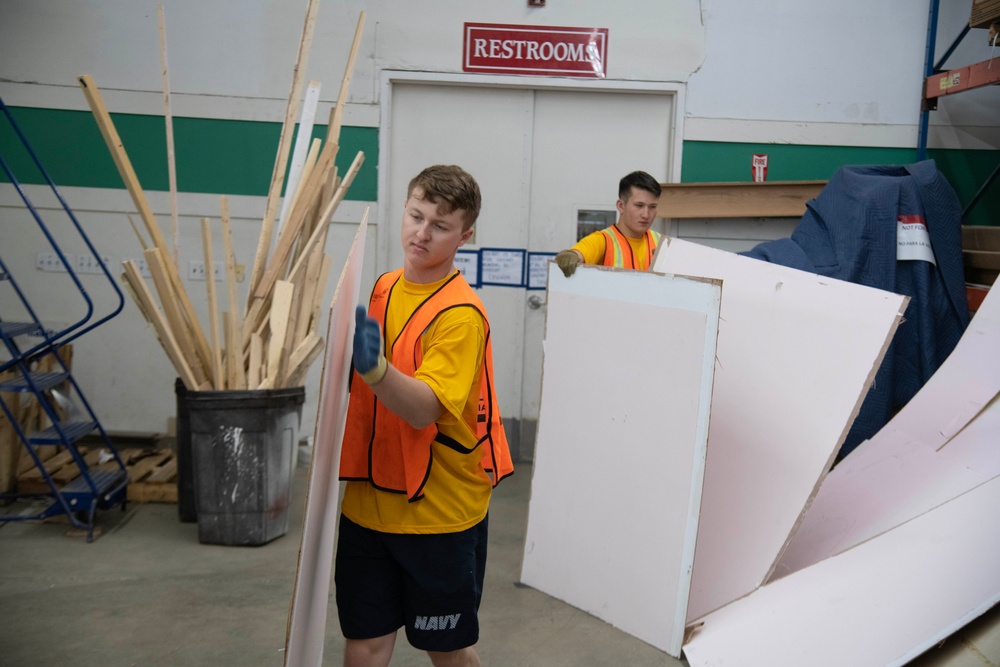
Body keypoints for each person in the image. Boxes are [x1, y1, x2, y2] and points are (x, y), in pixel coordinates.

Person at [337, 164, 514, 667]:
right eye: (416, 215)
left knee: (447, 648)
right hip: (367, 507)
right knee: (364, 640)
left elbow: (423, 409)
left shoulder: (461, 314)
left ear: (465, 235)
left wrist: (375, 370)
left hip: (437, 517)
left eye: (440, 225)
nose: (422, 232)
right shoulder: (382, 287)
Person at [554, 170, 663, 276]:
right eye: (639, 206)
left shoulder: (661, 243)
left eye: (652, 207)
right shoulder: (603, 240)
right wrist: (570, 256)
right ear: (621, 206)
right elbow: (578, 253)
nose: (646, 214)